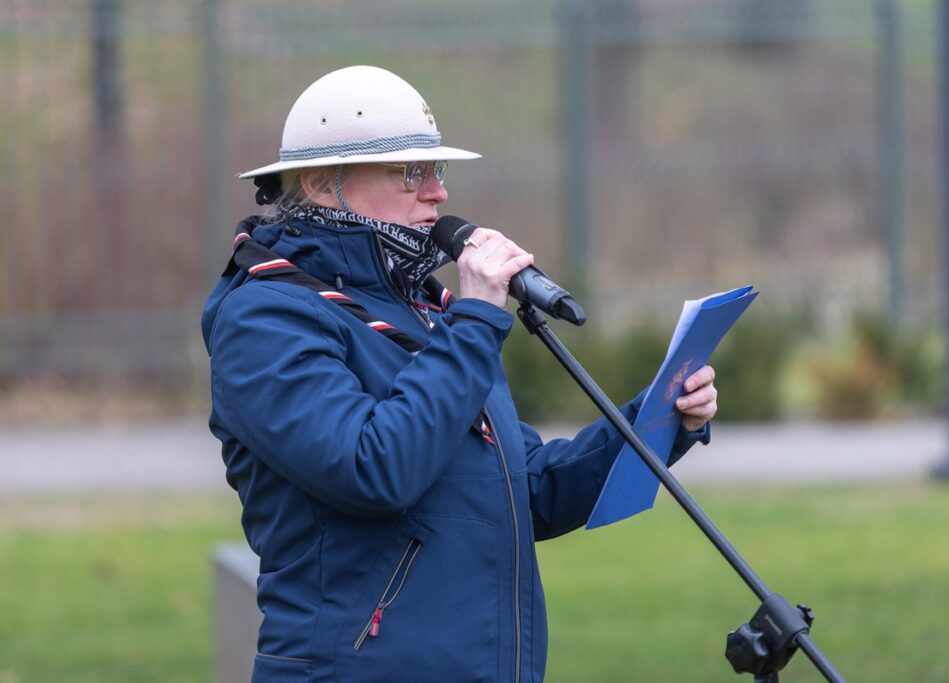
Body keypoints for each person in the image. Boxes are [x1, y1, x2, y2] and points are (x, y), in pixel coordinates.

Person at [201, 65, 718, 683]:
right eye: (409, 172)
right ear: (321, 183)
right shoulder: (265, 318)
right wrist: (473, 323)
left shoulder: (429, 314)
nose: (438, 194)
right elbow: (372, 469)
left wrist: (658, 418)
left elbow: (529, 491)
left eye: (437, 171)